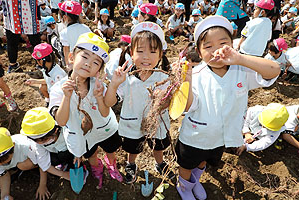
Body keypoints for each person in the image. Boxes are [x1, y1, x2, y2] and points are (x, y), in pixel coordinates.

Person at [175, 15, 280, 200]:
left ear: (233, 45)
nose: (216, 50)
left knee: (203, 162)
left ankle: (195, 180)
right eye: (208, 46)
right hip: (195, 136)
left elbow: (274, 70)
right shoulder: (196, 75)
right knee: (187, 164)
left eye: (223, 43)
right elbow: (188, 106)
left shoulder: (241, 70)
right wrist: (186, 82)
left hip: (221, 138)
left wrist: (240, 59)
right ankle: (184, 187)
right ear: (199, 53)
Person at [49, 32, 123, 189]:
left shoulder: (98, 85)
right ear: (71, 57)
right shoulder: (58, 89)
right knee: (91, 153)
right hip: (83, 134)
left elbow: (105, 111)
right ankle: (97, 168)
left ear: (99, 70)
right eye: (85, 57)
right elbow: (60, 121)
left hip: (104, 128)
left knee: (110, 148)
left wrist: (102, 94)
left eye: (96, 62)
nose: (88, 64)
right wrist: (67, 98)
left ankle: (112, 164)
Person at [104, 22, 175, 184]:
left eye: (152, 51)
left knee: (158, 145)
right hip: (133, 122)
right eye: (140, 51)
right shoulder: (126, 79)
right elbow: (109, 102)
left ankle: (160, 163)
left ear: (161, 54)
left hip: (157, 123)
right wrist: (114, 84)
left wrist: (162, 100)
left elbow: (171, 104)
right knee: (133, 146)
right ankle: (131, 163)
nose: (146, 57)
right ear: (131, 52)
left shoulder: (164, 78)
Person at [20, 107, 74, 199]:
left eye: (44, 139)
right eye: (37, 141)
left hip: (70, 150)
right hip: (56, 154)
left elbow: (78, 142)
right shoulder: (37, 143)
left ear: (55, 130)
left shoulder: (66, 130)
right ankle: (65, 164)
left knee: (66, 154)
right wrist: (63, 174)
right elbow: (44, 164)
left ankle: (70, 162)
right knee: (52, 160)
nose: (40, 143)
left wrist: (78, 155)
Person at [0, 127, 46, 200]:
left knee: (22, 166)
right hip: (17, 162)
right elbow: (3, 175)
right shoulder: (1, 159)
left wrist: (42, 185)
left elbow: (42, 162)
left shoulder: (25, 146)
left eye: (3, 159)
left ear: (13, 146)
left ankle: (20, 169)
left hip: (32, 158)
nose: (0, 164)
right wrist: (4, 195)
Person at [1, 0, 41, 73]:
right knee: (12, 39)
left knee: (34, 38)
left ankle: (41, 62)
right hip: (12, 10)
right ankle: (13, 64)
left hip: (27, 8)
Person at [59, 1, 91, 66]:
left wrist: (68, 65)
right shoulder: (86, 28)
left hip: (74, 62)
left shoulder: (64, 33)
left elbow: (66, 52)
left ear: (65, 17)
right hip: (87, 61)